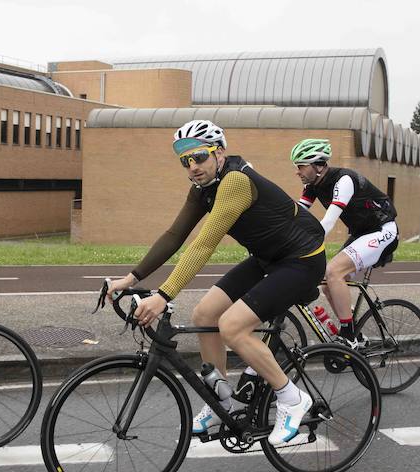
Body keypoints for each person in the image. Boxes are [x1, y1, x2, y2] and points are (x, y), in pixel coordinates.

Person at [105, 119, 326, 445]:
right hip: (268, 258)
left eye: (199, 157)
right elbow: (175, 235)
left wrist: (164, 295)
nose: (192, 167)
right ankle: (220, 396)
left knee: (232, 326)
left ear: (219, 152)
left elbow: (204, 244)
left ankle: (292, 399)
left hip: (301, 260)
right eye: (185, 161)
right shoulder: (202, 188)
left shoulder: (235, 181)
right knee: (204, 315)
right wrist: (132, 277)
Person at [290, 139, 398, 347]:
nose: (298, 171)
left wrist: (304, 244)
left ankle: (348, 336)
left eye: (301, 165)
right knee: (327, 280)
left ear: (318, 166)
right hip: (362, 233)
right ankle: (355, 333)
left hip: (383, 230)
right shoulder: (312, 186)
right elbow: (296, 215)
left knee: (333, 272)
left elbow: (329, 221)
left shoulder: (344, 180)